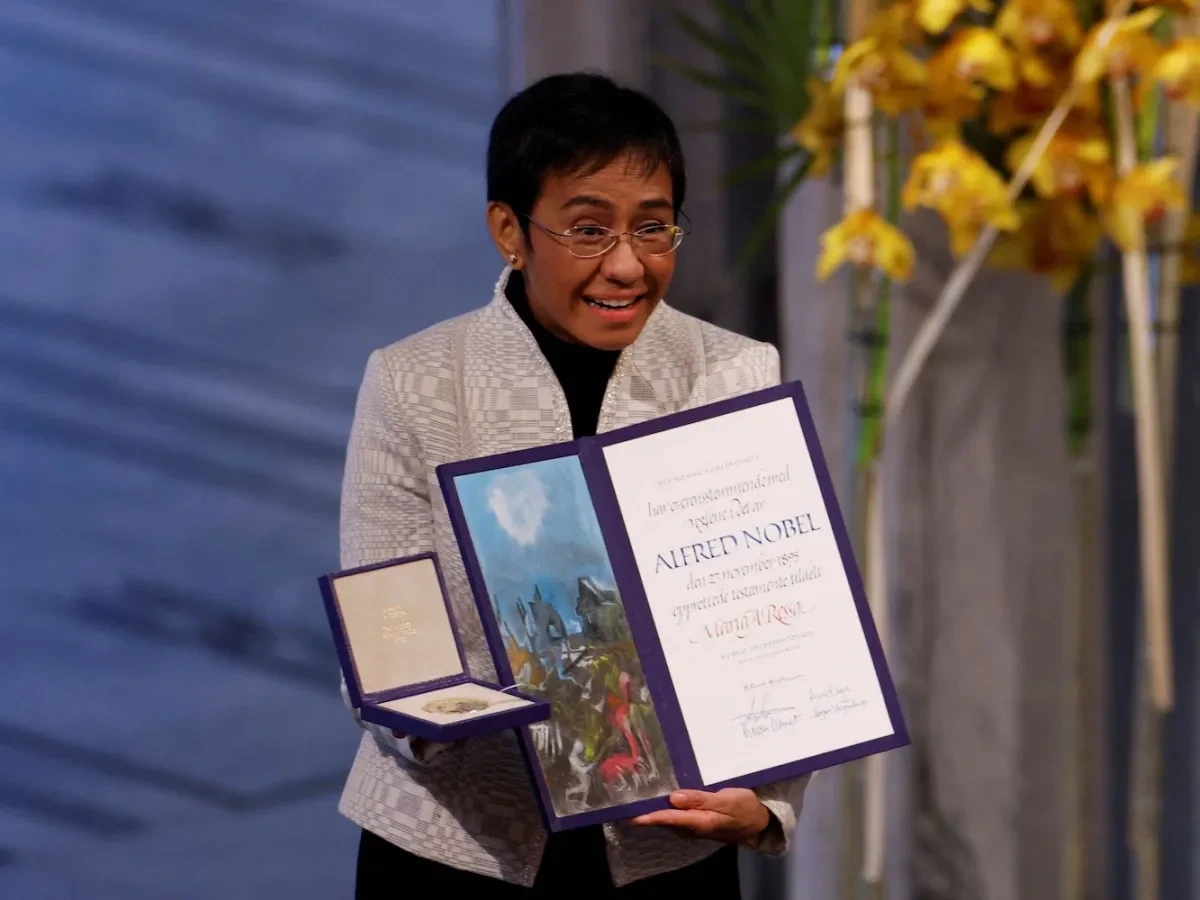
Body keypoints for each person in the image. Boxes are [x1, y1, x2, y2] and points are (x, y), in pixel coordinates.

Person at [339, 72, 810, 898]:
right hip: (456, 847)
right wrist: (431, 716)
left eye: (653, 227)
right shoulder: (416, 382)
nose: (626, 265)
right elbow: (386, 625)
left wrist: (766, 803)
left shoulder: (732, 374)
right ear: (509, 231)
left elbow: (783, 619)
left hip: (669, 849)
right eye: (588, 230)